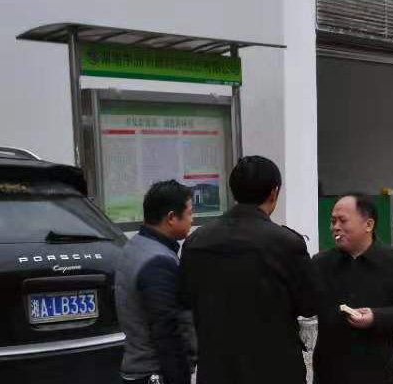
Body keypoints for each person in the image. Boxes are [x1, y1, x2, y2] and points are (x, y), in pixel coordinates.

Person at [179, 155, 320, 384]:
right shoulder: (286, 243)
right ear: (273, 192)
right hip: (274, 369)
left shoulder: (196, 240)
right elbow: (309, 304)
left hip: (217, 369)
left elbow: (185, 299)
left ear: (234, 191)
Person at [312, 193, 393, 384]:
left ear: (368, 225)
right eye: (333, 221)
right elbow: (306, 305)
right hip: (329, 373)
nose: (335, 227)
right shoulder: (320, 263)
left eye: (342, 221)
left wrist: (376, 317)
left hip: (375, 372)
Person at [114, 180, 197, 384]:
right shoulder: (158, 262)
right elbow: (167, 331)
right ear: (171, 217)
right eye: (189, 213)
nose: (192, 219)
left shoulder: (135, 246)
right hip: (154, 374)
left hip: (136, 367)